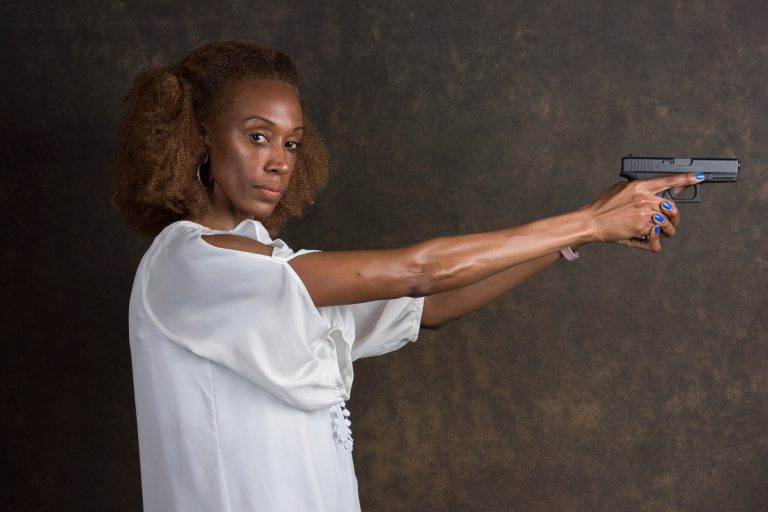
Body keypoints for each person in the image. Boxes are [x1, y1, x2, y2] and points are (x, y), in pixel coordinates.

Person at [112, 40, 703, 512]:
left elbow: (432, 307)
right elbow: (419, 273)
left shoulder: (275, 269)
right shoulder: (189, 264)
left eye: (291, 143)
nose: (279, 161)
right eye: (257, 135)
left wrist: (583, 234)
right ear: (199, 139)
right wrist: (589, 222)